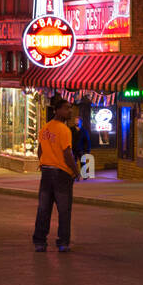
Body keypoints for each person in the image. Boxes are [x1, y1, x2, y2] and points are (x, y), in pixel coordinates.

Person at [33, 103, 81, 252]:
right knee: (64, 210)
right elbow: (67, 154)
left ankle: (40, 241)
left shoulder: (44, 128)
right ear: (56, 110)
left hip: (46, 172)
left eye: (70, 108)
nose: (70, 111)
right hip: (61, 174)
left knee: (43, 209)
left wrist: (45, 162)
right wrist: (76, 171)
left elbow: (40, 151)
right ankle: (63, 242)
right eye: (66, 108)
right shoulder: (64, 130)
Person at [70, 105, 91, 179]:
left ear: (80, 122)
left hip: (81, 149)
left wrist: (87, 150)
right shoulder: (71, 130)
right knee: (74, 163)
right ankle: (75, 175)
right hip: (73, 149)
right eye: (75, 121)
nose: (76, 122)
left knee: (83, 163)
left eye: (77, 121)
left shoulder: (83, 131)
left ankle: (84, 175)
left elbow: (87, 141)